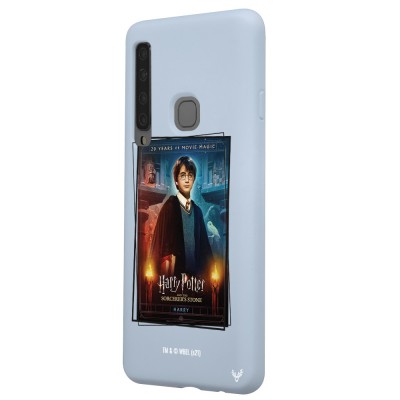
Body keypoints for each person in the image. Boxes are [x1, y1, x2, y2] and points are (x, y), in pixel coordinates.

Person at [149, 156, 213, 276]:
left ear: (193, 180)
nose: (187, 180)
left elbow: (205, 250)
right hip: (173, 277)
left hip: (194, 279)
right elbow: (159, 245)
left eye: (190, 175)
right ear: (176, 181)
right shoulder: (169, 207)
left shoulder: (197, 212)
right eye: (183, 175)